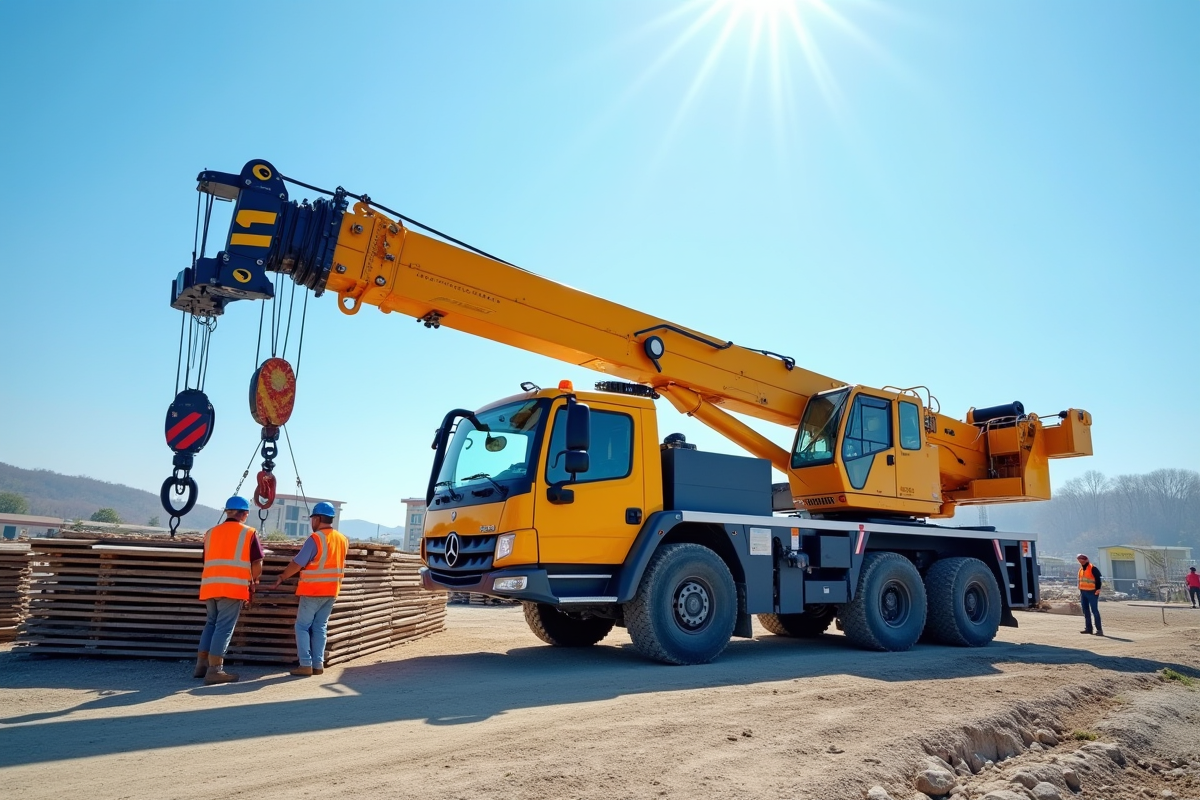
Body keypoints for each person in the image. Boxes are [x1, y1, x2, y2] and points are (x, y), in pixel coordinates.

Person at [269, 502, 348, 676]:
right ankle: (318, 665)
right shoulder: (342, 539)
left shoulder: (316, 539)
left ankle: (305, 664)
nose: (311, 522)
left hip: (313, 590)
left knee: (302, 627)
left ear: (318, 519)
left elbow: (298, 563)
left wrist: (281, 577)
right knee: (320, 627)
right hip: (332, 590)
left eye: (313, 518)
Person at [196, 496, 264, 684]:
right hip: (232, 587)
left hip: (210, 585)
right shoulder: (248, 532)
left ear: (227, 512)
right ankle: (215, 670)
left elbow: (207, 559)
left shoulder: (211, 532)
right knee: (223, 628)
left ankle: (201, 665)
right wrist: (254, 580)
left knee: (211, 623)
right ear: (244, 514)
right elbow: (257, 562)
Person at [1076, 553, 1104, 637]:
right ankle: (1088, 628)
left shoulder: (1093, 568)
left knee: (1094, 611)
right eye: (1079, 560)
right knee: (1086, 611)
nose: (1080, 561)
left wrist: (1098, 589)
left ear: (1085, 560)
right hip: (1083, 592)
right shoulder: (1081, 569)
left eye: (1081, 560)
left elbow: (1098, 579)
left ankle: (1099, 629)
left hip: (1092, 592)